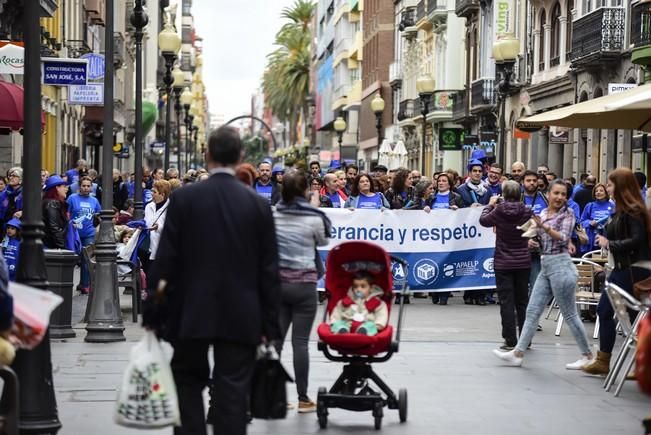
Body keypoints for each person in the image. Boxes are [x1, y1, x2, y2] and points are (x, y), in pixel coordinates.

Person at [144, 126, 281, 435]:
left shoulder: (184, 199)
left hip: (191, 309)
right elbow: (269, 271)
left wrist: (154, 307)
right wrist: (270, 324)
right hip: (241, 313)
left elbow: (166, 261)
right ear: (241, 157)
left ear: (207, 156)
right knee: (232, 391)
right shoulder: (258, 205)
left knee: (187, 382)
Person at [493, 180, 594, 369]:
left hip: (562, 267)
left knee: (570, 314)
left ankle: (587, 355)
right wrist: (529, 239)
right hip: (546, 264)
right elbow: (529, 232)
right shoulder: (543, 214)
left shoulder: (569, 213)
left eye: (563, 194)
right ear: (548, 194)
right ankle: (518, 353)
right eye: (556, 193)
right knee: (532, 311)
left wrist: (544, 228)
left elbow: (564, 237)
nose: (559, 197)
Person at [582, 168, 651, 375]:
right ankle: (637, 365)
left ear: (620, 186)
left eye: (611, 184)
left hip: (631, 270)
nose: (607, 188)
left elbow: (637, 240)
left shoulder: (633, 210)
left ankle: (605, 360)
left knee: (606, 310)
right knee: (629, 317)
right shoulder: (623, 209)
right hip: (624, 269)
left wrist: (610, 243)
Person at [273, 169, 330, 412]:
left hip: (278, 284)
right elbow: (325, 240)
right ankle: (303, 398)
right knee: (300, 343)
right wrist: (314, 207)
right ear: (305, 191)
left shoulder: (273, 214)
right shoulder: (313, 216)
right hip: (305, 284)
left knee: (275, 342)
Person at [479, 181, 532, 349]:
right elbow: (533, 229)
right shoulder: (526, 210)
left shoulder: (499, 211)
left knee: (506, 301)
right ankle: (525, 339)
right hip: (523, 261)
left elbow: (483, 221)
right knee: (522, 302)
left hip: (503, 261)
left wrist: (489, 205)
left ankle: (510, 339)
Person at [67, 177, 101, 294]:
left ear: (91, 187)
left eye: (88, 186)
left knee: (87, 260)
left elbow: (98, 215)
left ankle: (85, 284)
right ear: (79, 186)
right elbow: (67, 213)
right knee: (72, 259)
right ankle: (67, 284)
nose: (86, 188)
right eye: (84, 186)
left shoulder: (94, 201)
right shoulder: (72, 198)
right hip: (74, 233)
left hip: (89, 233)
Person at [329, 271, 388, 336]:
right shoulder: (345, 301)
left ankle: (363, 332)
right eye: (355, 286)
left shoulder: (378, 303)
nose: (358, 289)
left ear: (371, 288)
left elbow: (381, 316)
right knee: (338, 324)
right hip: (347, 324)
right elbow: (337, 313)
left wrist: (378, 325)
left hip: (366, 324)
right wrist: (335, 322)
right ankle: (342, 331)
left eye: (363, 286)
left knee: (371, 326)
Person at [143, 179, 171, 272]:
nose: (152, 194)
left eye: (154, 192)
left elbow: (172, 228)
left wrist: (158, 227)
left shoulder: (171, 207)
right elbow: (147, 223)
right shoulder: (149, 206)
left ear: (162, 194)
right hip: (148, 247)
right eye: (152, 191)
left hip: (163, 249)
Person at [579, 182, 614, 254]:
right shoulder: (590, 206)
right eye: (596, 191)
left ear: (606, 193)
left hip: (608, 239)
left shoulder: (613, 206)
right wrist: (590, 223)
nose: (598, 193)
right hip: (592, 239)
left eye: (601, 191)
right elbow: (582, 221)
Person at [42, 175, 69, 249]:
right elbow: (54, 227)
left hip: (50, 244)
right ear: (57, 188)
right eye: (64, 186)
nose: (66, 189)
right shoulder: (52, 203)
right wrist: (62, 247)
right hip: (51, 246)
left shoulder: (49, 202)